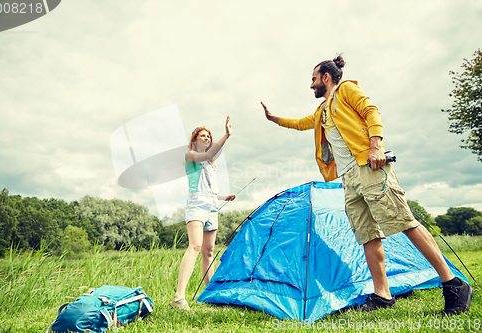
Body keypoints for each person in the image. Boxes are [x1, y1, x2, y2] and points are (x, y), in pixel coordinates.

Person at [261, 55, 473, 315]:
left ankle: (453, 283)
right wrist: (273, 119)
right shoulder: (321, 111)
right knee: (367, 235)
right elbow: (300, 123)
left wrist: (375, 146)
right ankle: (383, 294)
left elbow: (371, 111)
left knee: (403, 221)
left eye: (313, 79)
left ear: (326, 77)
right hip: (348, 178)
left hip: (370, 167)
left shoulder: (346, 89)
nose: (311, 85)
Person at [171, 116, 236, 310]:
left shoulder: (210, 165)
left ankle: (210, 295)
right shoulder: (190, 156)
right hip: (197, 205)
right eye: (203, 136)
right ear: (194, 140)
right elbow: (208, 157)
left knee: (209, 251)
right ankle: (178, 297)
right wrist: (227, 135)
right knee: (196, 246)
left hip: (212, 206)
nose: (207, 138)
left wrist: (224, 197)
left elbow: (210, 190)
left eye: (208, 136)